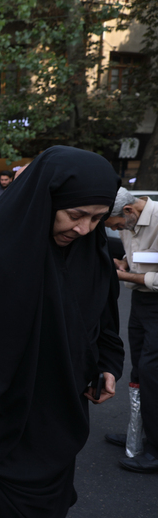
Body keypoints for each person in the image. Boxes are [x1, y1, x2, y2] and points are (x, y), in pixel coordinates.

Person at [0, 146, 125, 518]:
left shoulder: (89, 249)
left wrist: (108, 363)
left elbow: (103, 314)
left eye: (97, 218)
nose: (84, 229)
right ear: (47, 200)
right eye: (75, 215)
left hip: (60, 413)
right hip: (2, 420)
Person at [104, 187, 158, 473]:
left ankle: (156, 448)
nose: (113, 230)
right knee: (139, 369)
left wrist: (124, 274)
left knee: (153, 372)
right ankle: (139, 435)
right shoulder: (130, 220)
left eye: (112, 225)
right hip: (140, 299)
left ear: (128, 211)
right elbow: (140, 256)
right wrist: (126, 262)